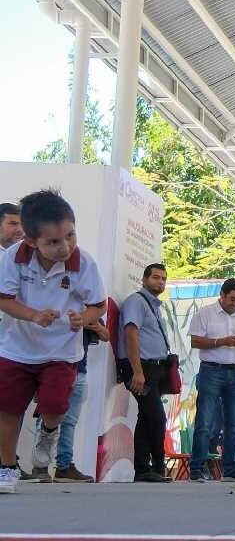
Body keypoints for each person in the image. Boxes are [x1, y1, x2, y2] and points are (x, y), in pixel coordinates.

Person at [0, 190, 106, 494]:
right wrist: (33, 315)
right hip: (16, 349)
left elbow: (99, 306)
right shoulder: (13, 258)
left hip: (62, 351)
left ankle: (47, 432)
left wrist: (83, 319)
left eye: (70, 235)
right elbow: (4, 299)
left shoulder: (83, 262)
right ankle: (6, 468)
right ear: (31, 241)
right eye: (54, 242)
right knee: (7, 409)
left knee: (56, 406)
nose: (66, 246)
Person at [187, 278, 235, 483]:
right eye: (232, 299)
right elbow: (195, 341)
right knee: (205, 421)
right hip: (211, 371)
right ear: (222, 296)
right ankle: (197, 468)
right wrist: (222, 342)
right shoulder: (205, 314)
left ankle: (230, 470)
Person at [117, 263, 174, 483]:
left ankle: (143, 469)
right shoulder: (136, 302)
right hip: (140, 367)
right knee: (157, 418)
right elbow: (131, 334)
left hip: (156, 368)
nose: (160, 282)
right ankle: (157, 466)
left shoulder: (154, 306)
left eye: (163, 279)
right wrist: (137, 372)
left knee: (147, 417)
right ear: (144, 280)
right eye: (156, 278)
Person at [34, 320, 108, 482]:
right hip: (52, 369)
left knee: (69, 422)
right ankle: (40, 467)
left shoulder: (88, 312)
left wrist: (92, 325)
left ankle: (64, 466)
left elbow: (106, 336)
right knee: (46, 416)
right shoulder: (56, 309)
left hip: (79, 371)